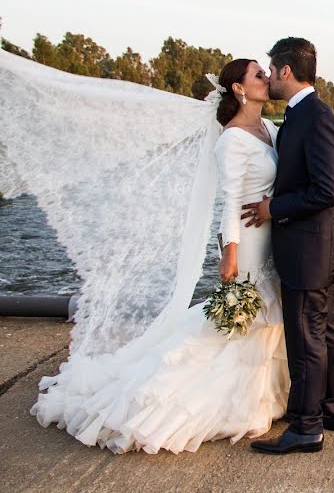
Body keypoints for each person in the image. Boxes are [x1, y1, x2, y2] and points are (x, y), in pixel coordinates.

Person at [29, 58, 291, 453]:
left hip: (271, 234)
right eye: (258, 74)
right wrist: (229, 254)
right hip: (248, 242)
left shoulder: (268, 128)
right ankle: (199, 401)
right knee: (246, 317)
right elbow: (230, 202)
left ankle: (268, 395)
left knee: (270, 318)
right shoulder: (231, 139)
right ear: (238, 88)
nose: (266, 79)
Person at [242, 37, 334, 454]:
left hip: (311, 246)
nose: (270, 78)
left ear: (286, 72)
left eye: (271, 71)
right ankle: (332, 406)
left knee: (306, 334)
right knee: (325, 326)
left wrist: (275, 207)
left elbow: (327, 190)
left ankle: (307, 427)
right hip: (318, 245)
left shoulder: (316, 117)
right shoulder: (301, 115)